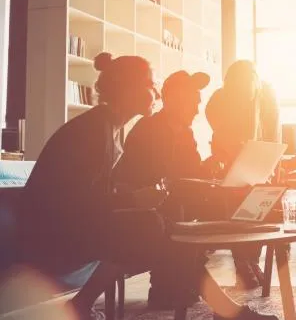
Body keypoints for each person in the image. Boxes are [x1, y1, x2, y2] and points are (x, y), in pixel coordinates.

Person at [17, 53, 278, 320]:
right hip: (51, 233)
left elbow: (92, 197)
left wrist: (133, 199)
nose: (156, 92)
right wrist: (134, 198)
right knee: (157, 228)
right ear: (128, 88)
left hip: (65, 223)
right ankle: (220, 309)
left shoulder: (108, 126)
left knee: (159, 228)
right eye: (149, 84)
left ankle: (214, 306)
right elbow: (82, 199)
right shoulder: (95, 131)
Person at [113, 69, 212, 309]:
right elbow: (149, 180)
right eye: (193, 103)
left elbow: (192, 173)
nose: (197, 111)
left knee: (211, 205)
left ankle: (181, 284)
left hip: (173, 203)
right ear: (177, 101)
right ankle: (173, 287)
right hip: (143, 208)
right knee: (179, 215)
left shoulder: (186, 134)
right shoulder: (149, 129)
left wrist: (211, 169)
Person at [205, 59, 280, 289]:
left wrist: (272, 163)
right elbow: (221, 133)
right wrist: (236, 153)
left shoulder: (266, 96)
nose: (244, 95)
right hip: (229, 159)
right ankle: (242, 263)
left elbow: (273, 132)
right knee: (237, 212)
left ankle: (252, 261)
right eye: (238, 90)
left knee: (258, 210)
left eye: (248, 88)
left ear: (256, 83)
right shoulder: (218, 100)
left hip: (257, 157)